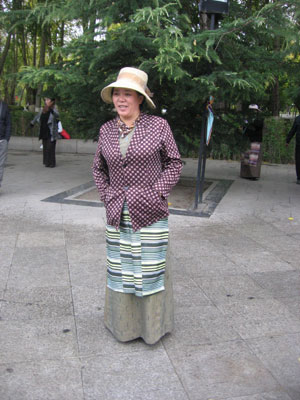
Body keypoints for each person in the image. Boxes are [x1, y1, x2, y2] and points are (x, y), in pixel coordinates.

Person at [92, 67, 182, 344]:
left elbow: (174, 163)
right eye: (117, 93)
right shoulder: (106, 130)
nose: (121, 99)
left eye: (127, 94)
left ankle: (153, 328)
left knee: (150, 269)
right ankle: (124, 327)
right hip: (117, 211)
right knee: (120, 269)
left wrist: (157, 193)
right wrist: (108, 196)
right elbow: (98, 168)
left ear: (140, 98)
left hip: (150, 211)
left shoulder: (158, 126)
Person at [31, 97, 59, 168]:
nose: (46, 101)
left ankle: (52, 163)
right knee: (45, 147)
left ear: (52, 101)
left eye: (47, 100)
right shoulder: (43, 109)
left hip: (51, 131)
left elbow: (57, 115)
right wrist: (32, 123)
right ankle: (47, 162)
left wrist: (51, 110)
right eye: (45, 100)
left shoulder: (54, 108)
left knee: (50, 147)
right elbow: (37, 116)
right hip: (43, 131)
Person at [240, 104, 264, 179]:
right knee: (245, 157)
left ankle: (253, 175)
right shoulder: (246, 118)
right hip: (247, 139)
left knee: (254, 158)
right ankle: (245, 174)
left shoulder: (259, 119)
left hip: (255, 140)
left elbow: (258, 126)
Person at [286, 111, 300, 184]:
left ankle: (299, 178)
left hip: (299, 142)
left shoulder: (298, 119)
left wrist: (287, 140)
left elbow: (293, 130)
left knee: (298, 160)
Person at [0, 99, 11, 189]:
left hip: (2, 140)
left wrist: (6, 139)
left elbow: (8, 124)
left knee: (1, 164)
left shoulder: (4, 107)